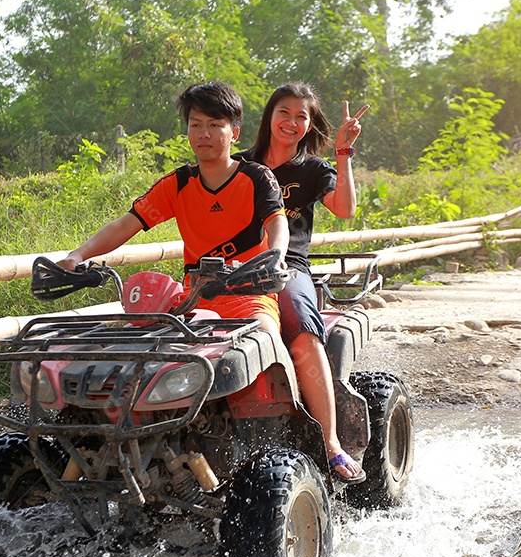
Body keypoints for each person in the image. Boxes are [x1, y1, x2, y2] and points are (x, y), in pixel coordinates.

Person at [59, 80, 289, 342]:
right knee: (149, 355)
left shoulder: (257, 177)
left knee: (263, 342)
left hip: (250, 297)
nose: (204, 133)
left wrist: (276, 255)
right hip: (191, 302)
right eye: (196, 124)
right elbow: (125, 225)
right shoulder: (178, 185)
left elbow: (277, 222)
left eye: (215, 125)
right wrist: (77, 255)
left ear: (234, 133)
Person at [235, 82, 368, 482]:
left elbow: (343, 209)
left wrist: (342, 151)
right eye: (284, 112)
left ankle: (331, 443)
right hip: (233, 267)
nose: (291, 122)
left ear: (309, 125)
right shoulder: (239, 165)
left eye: (301, 116)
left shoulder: (310, 168)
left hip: (287, 266)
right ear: (269, 117)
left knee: (300, 325)